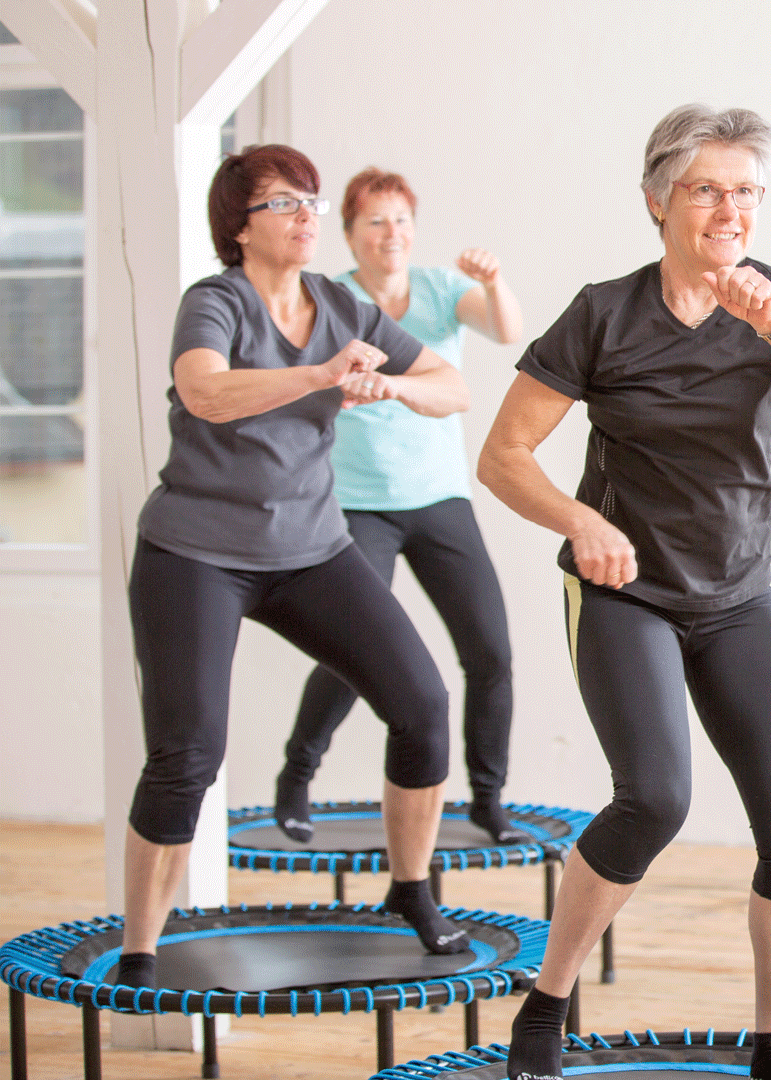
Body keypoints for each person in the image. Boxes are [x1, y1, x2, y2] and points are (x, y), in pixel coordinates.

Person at [477, 105, 771, 1080]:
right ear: (658, 201)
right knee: (653, 798)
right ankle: (546, 1003)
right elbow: (504, 455)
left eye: (747, 192)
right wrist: (581, 521)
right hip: (625, 594)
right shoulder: (604, 314)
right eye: (706, 190)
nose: (730, 210)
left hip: (738, 595)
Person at [120, 144, 474, 988]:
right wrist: (318, 373)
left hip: (311, 550)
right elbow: (204, 391)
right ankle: (138, 948)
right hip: (193, 554)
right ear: (240, 227)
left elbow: (451, 385)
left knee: (423, 705)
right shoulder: (216, 301)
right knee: (187, 756)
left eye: (311, 201)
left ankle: (409, 891)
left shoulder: (340, 304)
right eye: (285, 202)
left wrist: (393, 387)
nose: (307, 215)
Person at [273, 167, 528, 846]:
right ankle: (296, 775)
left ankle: (488, 798)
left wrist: (493, 281)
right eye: (376, 222)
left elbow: (506, 330)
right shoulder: (332, 301)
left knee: (491, 653)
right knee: (353, 654)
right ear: (350, 234)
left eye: (401, 220)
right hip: (360, 505)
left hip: (440, 498)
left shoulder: (441, 289)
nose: (392, 234)